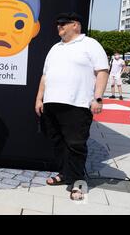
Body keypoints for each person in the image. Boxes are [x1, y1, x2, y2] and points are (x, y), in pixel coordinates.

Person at [35, 12, 109, 201]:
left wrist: (98, 99)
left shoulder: (90, 45)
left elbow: (102, 71)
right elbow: (45, 75)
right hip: (52, 103)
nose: (59, 26)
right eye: (58, 23)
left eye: (63, 23)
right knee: (58, 142)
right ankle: (64, 174)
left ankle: (78, 183)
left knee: (76, 145)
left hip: (77, 104)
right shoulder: (55, 48)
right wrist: (39, 98)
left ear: (75, 25)